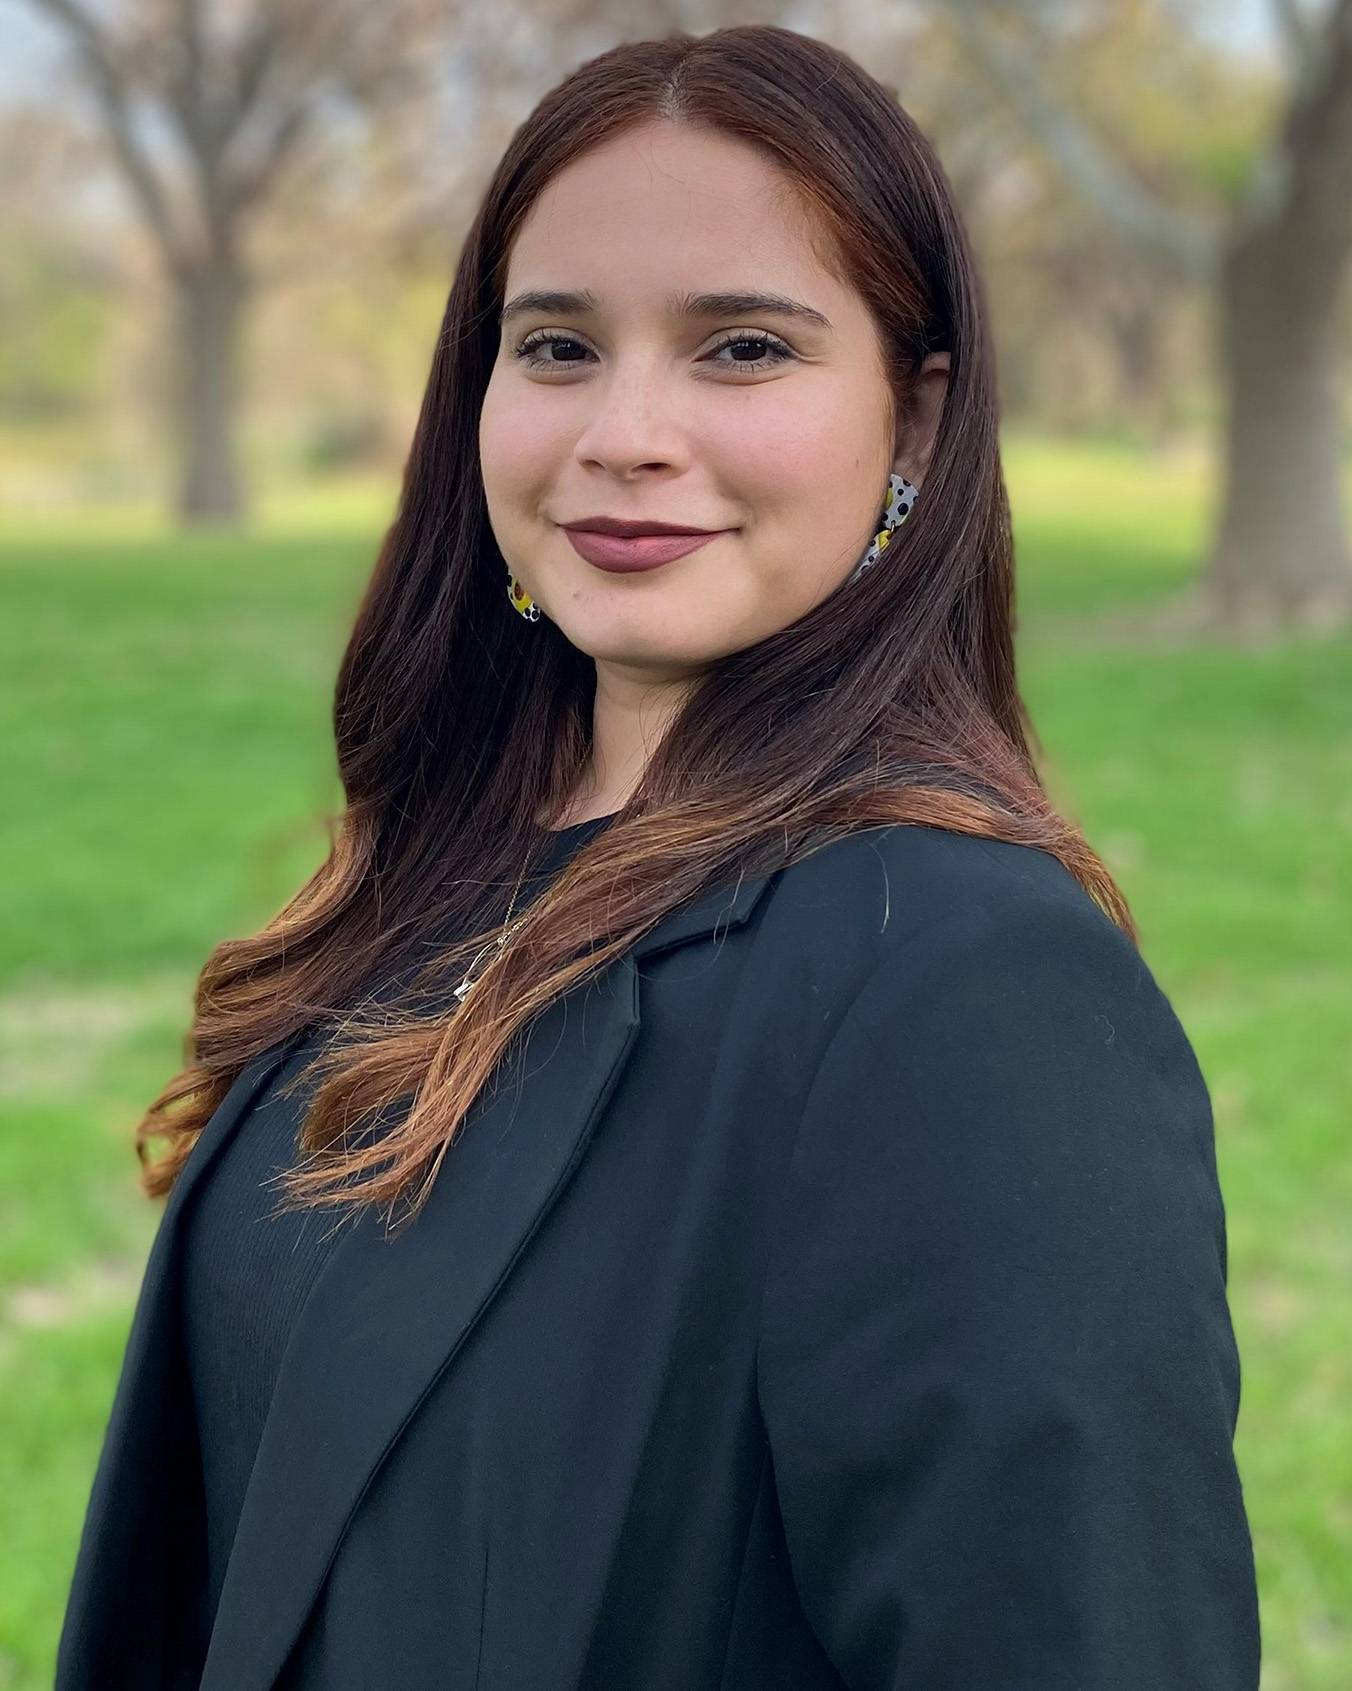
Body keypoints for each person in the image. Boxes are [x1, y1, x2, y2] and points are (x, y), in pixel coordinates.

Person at [56, 22, 1260, 1690]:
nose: (623, 430)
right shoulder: (432, 874)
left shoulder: (966, 980)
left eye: (744, 349)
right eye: (557, 346)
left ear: (913, 424)